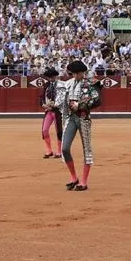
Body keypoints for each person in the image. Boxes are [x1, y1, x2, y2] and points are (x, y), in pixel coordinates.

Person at [55, 60, 102, 191]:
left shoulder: (90, 83)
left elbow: (97, 100)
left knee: (86, 149)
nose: (76, 76)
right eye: (74, 74)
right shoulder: (67, 83)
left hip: (83, 117)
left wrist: (80, 105)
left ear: (83, 72)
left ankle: (84, 181)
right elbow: (62, 102)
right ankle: (74, 177)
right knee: (64, 148)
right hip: (71, 118)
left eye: (78, 73)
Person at [39, 67, 62, 159]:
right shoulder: (46, 85)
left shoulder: (61, 85)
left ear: (56, 76)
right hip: (48, 111)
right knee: (44, 130)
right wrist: (43, 105)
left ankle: (59, 151)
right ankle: (49, 150)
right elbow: (41, 97)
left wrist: (56, 104)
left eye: (52, 77)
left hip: (58, 111)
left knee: (59, 131)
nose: (51, 78)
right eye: (49, 77)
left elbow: (63, 97)